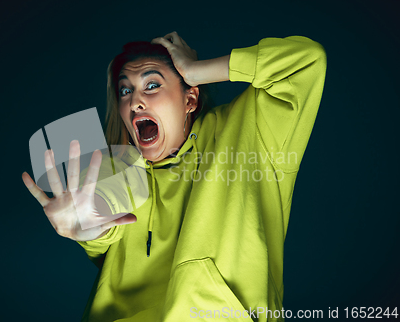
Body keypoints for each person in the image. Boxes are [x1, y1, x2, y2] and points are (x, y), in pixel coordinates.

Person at [22, 31, 327, 321]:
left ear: (190, 100)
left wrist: (195, 70)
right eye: (125, 90)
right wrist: (86, 220)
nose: (134, 101)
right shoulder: (117, 165)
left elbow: (305, 60)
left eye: (152, 85)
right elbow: (106, 199)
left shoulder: (249, 132)